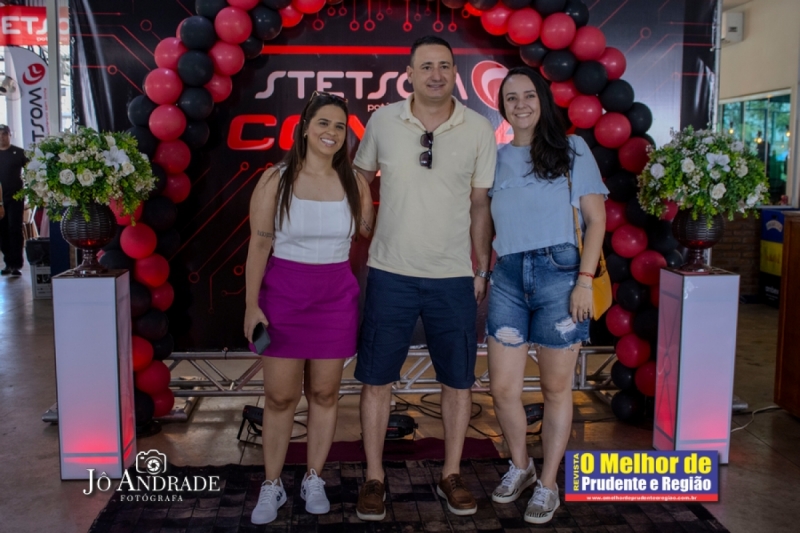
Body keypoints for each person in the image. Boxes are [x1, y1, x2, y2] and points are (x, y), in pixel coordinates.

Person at [352, 35, 496, 521]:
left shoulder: (478, 128)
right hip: (389, 273)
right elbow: (359, 176)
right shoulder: (383, 121)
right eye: (427, 66)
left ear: (455, 72)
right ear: (409, 74)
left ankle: (451, 473)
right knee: (376, 379)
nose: (436, 74)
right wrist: (365, 224)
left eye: (445, 66)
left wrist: (481, 267)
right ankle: (374, 478)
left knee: (458, 381)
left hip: (453, 277)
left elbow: (480, 205)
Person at [243, 91, 374, 525]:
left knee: (324, 394)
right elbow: (259, 246)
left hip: (335, 298)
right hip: (283, 297)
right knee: (280, 397)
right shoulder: (275, 180)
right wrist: (251, 306)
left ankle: (313, 477)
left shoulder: (354, 183)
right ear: (303, 128)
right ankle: (272, 483)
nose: (331, 132)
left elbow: (368, 232)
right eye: (323, 123)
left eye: (339, 126)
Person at [486, 66, 607, 524]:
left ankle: (549, 484)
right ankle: (521, 466)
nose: (520, 104)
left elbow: (596, 220)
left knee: (556, 389)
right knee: (502, 389)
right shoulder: (495, 157)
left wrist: (584, 280)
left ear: (542, 100)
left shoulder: (572, 149)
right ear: (502, 107)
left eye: (528, 95)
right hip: (508, 275)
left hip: (562, 275)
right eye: (511, 98)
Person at [0, 125, 28, 276]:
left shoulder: (19, 153)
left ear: (10, 135)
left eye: (4, 134)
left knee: (15, 229)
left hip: (16, 198)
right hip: (0, 200)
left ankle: (16, 265)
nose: (2, 137)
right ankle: (8, 263)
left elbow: (31, 170)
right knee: (3, 231)